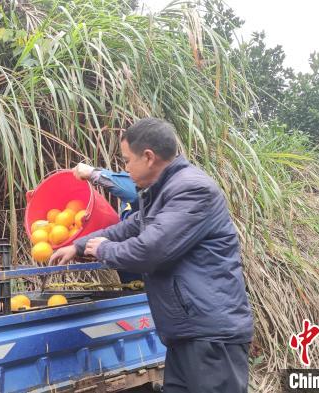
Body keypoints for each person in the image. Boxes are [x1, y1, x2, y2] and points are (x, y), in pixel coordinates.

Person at [51, 117, 253, 392]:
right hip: (187, 332)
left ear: (148, 157)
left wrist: (102, 249)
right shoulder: (162, 192)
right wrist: (77, 245)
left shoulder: (192, 189)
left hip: (211, 335)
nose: (125, 168)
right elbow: (127, 227)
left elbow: (151, 250)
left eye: (126, 160)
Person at [71, 163, 141, 283]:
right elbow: (123, 233)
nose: (127, 168)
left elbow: (134, 192)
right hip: (133, 283)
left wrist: (94, 173)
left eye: (130, 160)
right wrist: (86, 247)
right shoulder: (127, 205)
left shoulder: (155, 192)